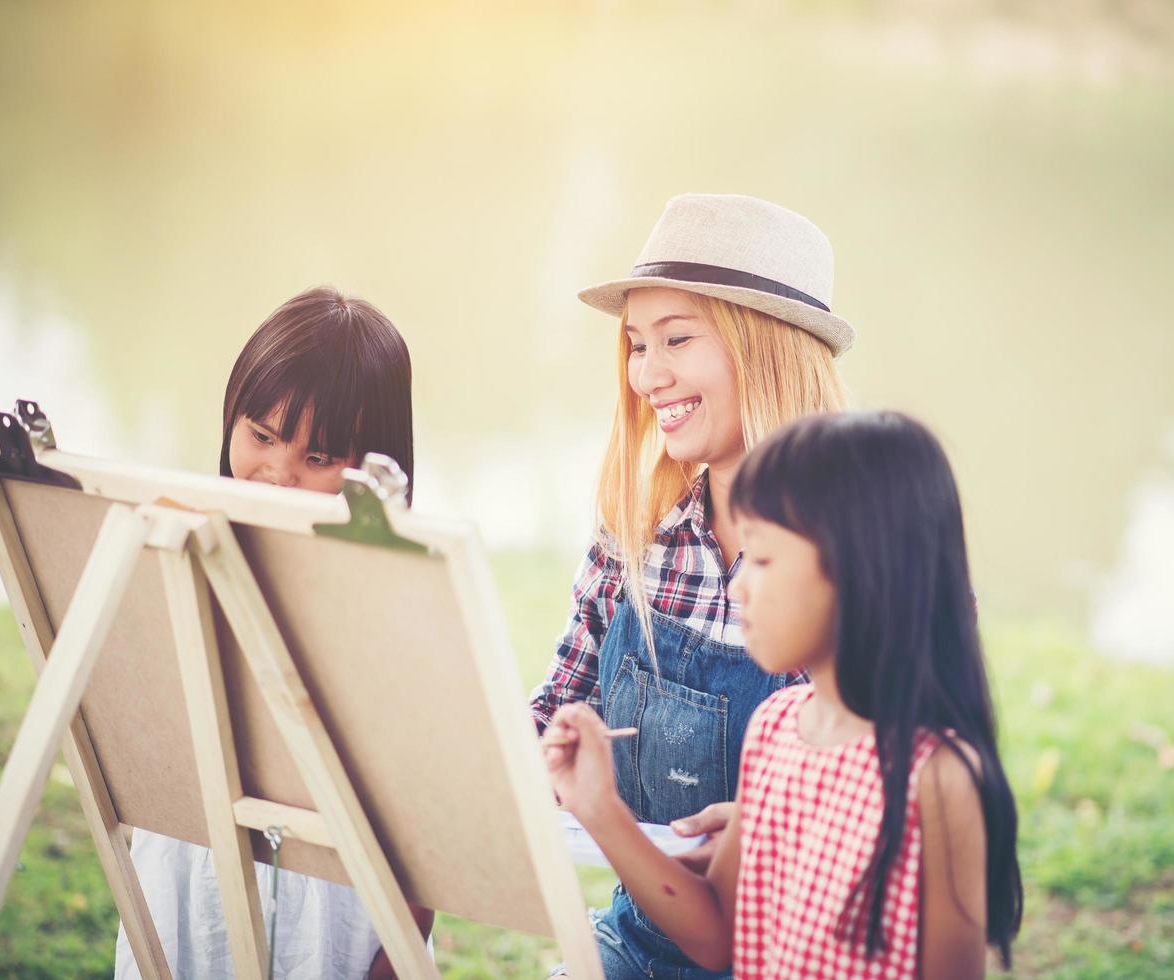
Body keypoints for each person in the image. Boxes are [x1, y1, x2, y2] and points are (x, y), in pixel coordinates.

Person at [545, 411, 1024, 979]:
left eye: (764, 560)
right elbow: (717, 935)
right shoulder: (776, 728)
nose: (738, 585)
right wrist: (598, 806)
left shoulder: (936, 778)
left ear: (861, 573)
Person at [529, 193, 850, 978]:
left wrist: (781, 826)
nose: (646, 374)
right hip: (640, 946)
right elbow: (556, 706)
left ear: (767, 349)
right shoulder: (634, 534)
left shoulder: (866, 547)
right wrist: (534, 756)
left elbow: (917, 778)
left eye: (675, 338)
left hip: (801, 954)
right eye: (638, 345)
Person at [115, 286, 431, 979]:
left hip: (330, 912)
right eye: (261, 436)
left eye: (318, 458)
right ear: (231, 416)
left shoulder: (396, 604)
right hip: (185, 888)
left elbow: (422, 813)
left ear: (375, 465)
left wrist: (399, 953)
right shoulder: (172, 547)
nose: (278, 473)